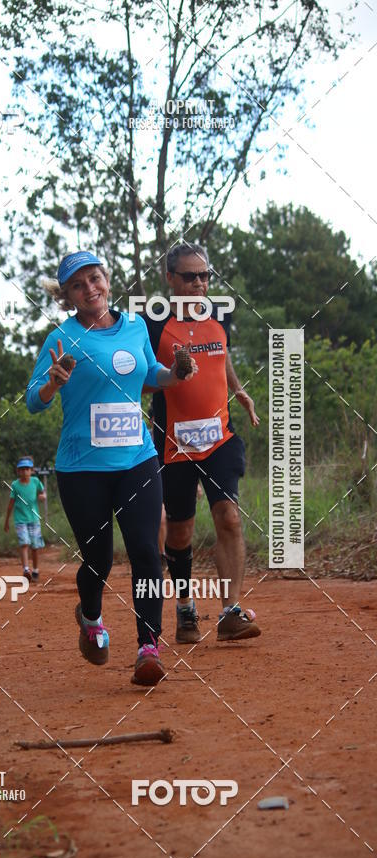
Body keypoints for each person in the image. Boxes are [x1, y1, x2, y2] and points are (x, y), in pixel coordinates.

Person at [26, 250, 197, 686]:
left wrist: (176, 373)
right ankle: (90, 616)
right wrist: (52, 383)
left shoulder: (136, 326)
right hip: (82, 467)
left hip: (136, 459)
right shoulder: (59, 339)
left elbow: (150, 376)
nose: (90, 289)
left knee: (145, 550)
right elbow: (32, 401)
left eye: (95, 278)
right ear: (67, 297)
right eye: (78, 285)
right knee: (98, 559)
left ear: (107, 279)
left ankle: (148, 648)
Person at [144, 242, 260, 644]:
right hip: (173, 444)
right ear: (170, 278)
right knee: (180, 534)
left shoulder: (220, 315)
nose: (199, 283)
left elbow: (221, 353)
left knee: (228, 516)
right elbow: (142, 375)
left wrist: (239, 389)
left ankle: (230, 613)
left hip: (220, 438)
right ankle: (185, 606)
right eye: (190, 276)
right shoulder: (152, 324)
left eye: (205, 276)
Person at [4, 457, 46, 582]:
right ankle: (26, 569)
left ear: (31, 470)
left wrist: (43, 496)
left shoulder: (35, 481)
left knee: (35, 546)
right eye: (22, 469)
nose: (24, 472)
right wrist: (6, 521)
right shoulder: (15, 485)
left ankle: (36, 570)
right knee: (24, 543)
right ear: (18, 471)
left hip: (34, 519)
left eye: (27, 469)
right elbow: (11, 504)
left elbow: (43, 492)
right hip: (20, 520)